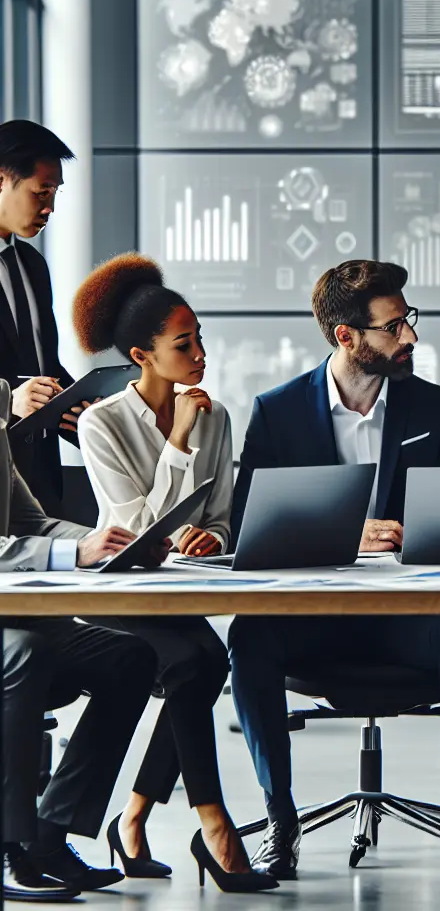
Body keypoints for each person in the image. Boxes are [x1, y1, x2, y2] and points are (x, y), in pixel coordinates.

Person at [228, 259, 440, 892]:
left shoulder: (434, 407)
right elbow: (250, 528)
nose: (409, 338)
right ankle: (280, 817)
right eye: (392, 327)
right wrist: (346, 537)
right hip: (318, 618)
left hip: (411, 617)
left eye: (409, 321)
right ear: (345, 337)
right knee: (250, 636)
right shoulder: (278, 413)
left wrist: (423, 536)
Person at [71, 254, 275, 894]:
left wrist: (210, 534)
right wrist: (178, 442)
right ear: (142, 355)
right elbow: (135, 532)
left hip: (178, 588)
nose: (199, 355)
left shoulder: (217, 417)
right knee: (198, 663)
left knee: (204, 662)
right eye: (182, 345)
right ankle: (213, 822)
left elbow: (217, 516)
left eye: (200, 339)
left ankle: (132, 820)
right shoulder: (102, 423)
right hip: (119, 590)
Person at [0, 376, 160, 902]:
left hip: (14, 618)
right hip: (14, 637)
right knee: (26, 651)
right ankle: (8, 845)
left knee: (130, 656)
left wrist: (108, 544)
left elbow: (33, 524)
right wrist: (75, 555)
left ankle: (49, 833)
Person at [0, 120, 93, 515]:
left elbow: (43, 366)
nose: (50, 208)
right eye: (42, 192)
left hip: (40, 481)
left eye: (55, 193)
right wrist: (7, 402)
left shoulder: (33, 266)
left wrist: (88, 412)